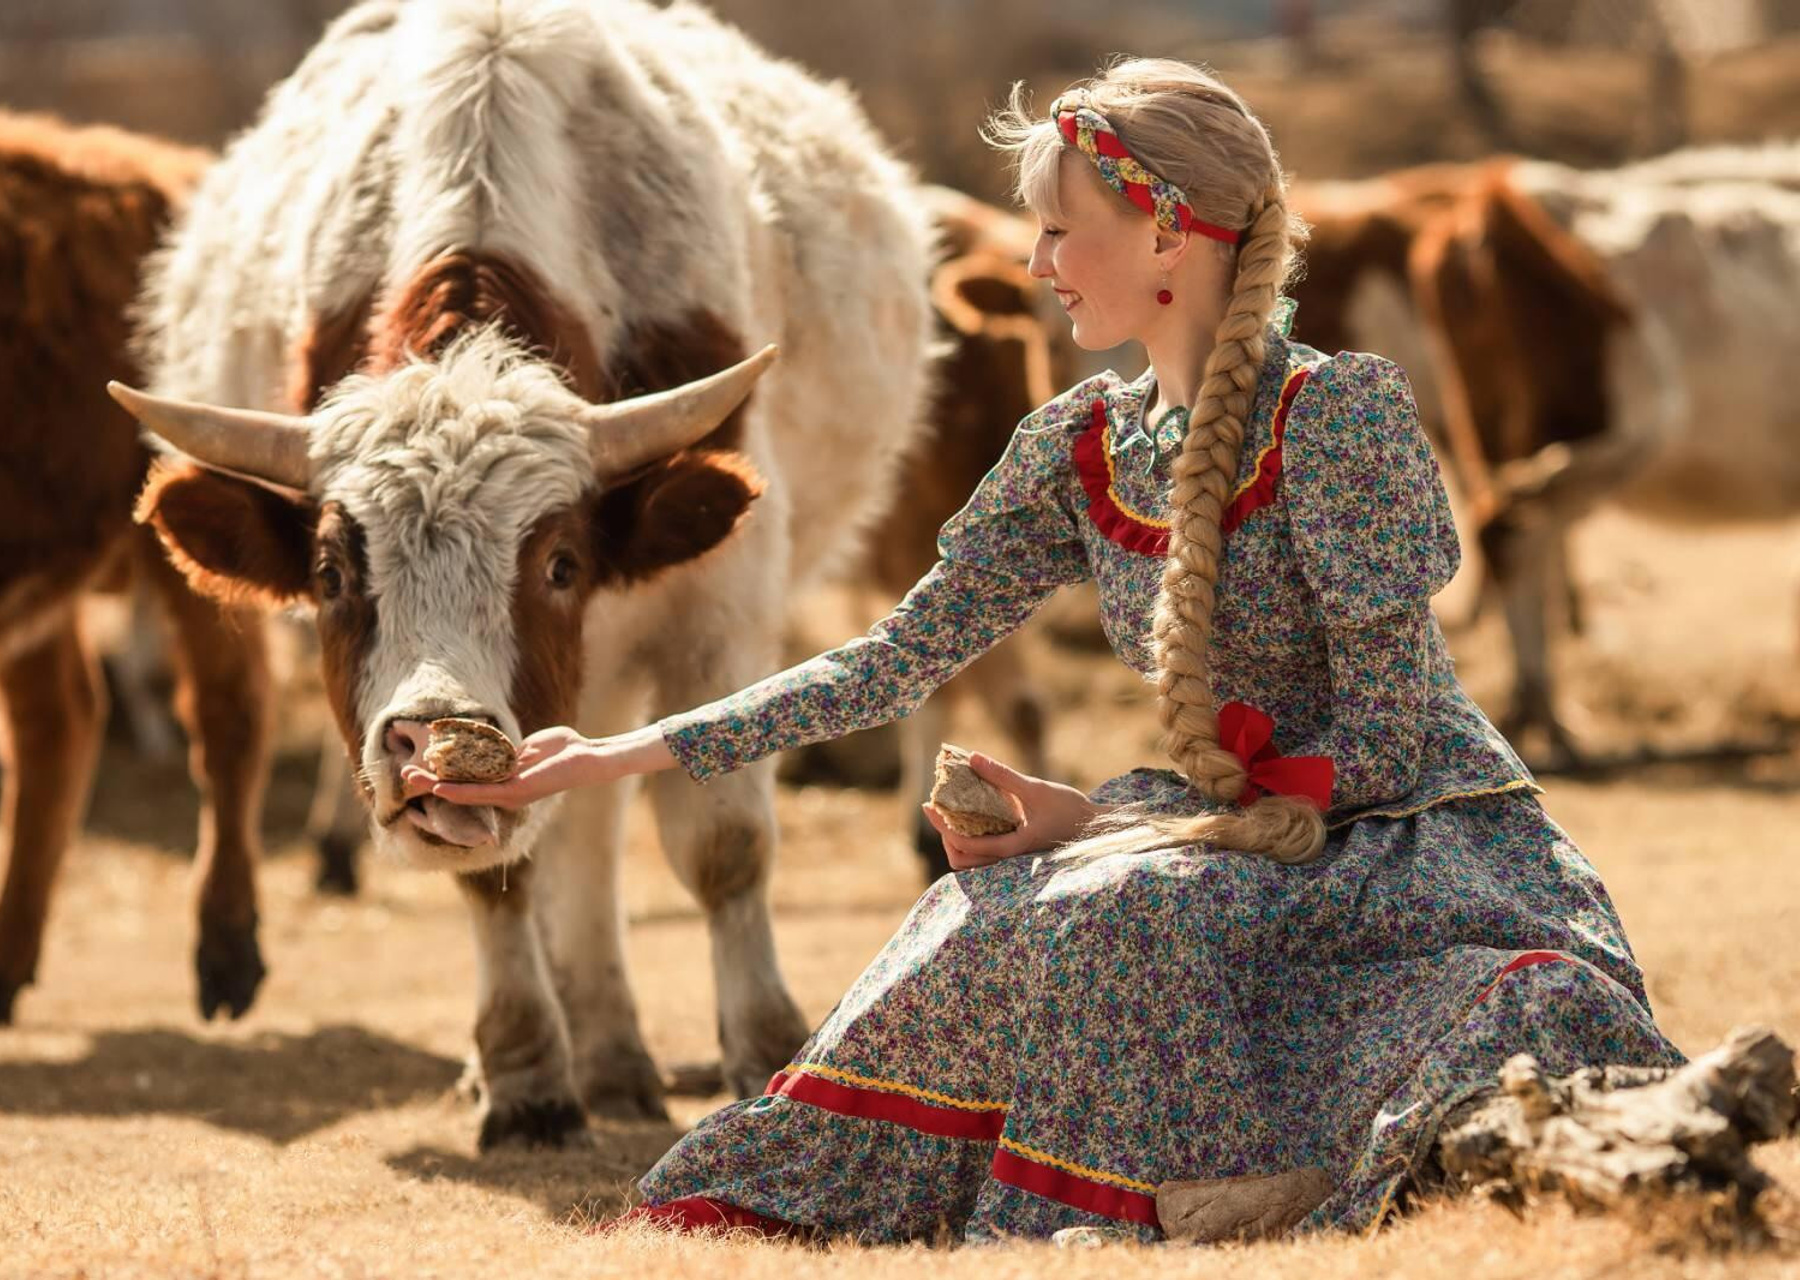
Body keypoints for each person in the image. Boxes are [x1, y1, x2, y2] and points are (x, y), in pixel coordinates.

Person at [403, 59, 1683, 1244]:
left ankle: (1250, 1176)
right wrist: (607, 753)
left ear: (1169, 233)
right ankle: (1103, 1181)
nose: (1036, 260)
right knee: (970, 913)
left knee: (1129, 912)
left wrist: (1121, 827)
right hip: (1216, 835)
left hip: (1410, 847)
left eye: (1063, 230)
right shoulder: (1076, 446)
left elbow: (1390, 746)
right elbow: (890, 660)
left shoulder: (1338, 416)